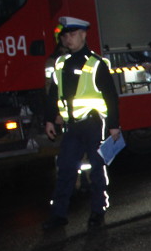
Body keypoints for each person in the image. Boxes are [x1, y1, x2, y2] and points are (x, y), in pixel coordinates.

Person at [43, 16, 120, 230]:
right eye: (66, 35)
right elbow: (53, 94)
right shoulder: (61, 63)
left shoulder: (96, 63)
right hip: (72, 126)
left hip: (93, 124)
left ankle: (97, 211)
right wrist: (49, 119)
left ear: (84, 35)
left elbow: (110, 96)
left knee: (97, 170)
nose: (68, 39)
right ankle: (58, 215)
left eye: (73, 34)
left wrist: (113, 125)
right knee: (65, 169)